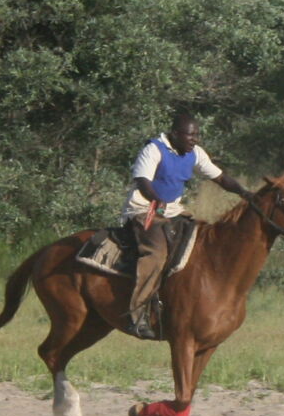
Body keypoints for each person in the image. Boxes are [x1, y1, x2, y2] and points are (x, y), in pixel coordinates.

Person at [89, 112, 253, 337]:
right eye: (190, 135)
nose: (195, 139)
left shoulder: (194, 153)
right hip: (144, 211)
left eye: (197, 135)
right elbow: (143, 181)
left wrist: (246, 193)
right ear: (175, 134)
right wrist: (157, 202)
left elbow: (221, 178)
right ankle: (137, 315)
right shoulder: (154, 149)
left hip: (173, 212)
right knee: (155, 254)